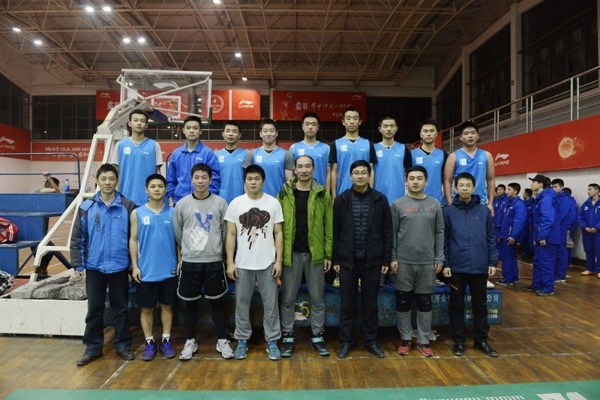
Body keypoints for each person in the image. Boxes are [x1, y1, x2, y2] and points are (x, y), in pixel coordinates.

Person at [70, 163, 137, 366]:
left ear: (117, 181)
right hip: (94, 267)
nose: (107, 182)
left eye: (111, 179)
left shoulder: (128, 206)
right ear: (97, 181)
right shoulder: (86, 207)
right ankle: (93, 347)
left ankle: (123, 345)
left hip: (119, 267)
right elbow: (77, 237)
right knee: (95, 309)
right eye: (104, 179)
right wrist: (78, 265)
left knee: (120, 309)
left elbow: (135, 239)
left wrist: (134, 264)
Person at [332, 160, 392, 359]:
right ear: (350, 176)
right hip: (347, 262)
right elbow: (335, 231)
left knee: (370, 305)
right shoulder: (341, 200)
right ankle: (345, 342)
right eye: (356, 173)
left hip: (372, 262)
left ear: (369, 175)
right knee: (347, 305)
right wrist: (336, 260)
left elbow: (387, 232)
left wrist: (385, 260)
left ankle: (371, 341)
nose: (360, 176)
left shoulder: (380, 200)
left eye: (363, 173)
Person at [225, 164, 284, 360]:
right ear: (245, 181)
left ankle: (273, 340)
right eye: (249, 179)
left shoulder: (273, 203)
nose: (253, 182)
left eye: (256, 179)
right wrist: (230, 262)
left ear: (263, 181)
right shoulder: (236, 203)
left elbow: (278, 233)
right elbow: (231, 234)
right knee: (241, 304)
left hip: (268, 263)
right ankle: (242, 340)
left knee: (271, 304)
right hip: (242, 264)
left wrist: (279, 261)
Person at [174, 164, 233, 361]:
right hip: (191, 262)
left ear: (210, 180)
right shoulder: (182, 204)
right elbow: (178, 233)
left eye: (204, 177)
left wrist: (223, 256)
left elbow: (225, 232)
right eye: (197, 177)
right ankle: (190, 340)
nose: (200, 181)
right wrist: (184, 256)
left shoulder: (220, 203)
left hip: (214, 262)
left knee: (217, 303)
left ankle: (222, 340)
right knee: (190, 304)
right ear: (191, 179)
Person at [277, 155, 333, 357]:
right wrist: (279, 255)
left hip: (315, 254)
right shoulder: (284, 193)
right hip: (291, 255)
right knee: (287, 298)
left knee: (317, 298)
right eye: (299, 166)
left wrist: (327, 253)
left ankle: (318, 335)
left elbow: (328, 226)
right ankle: (288, 335)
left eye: (307, 166)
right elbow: (278, 227)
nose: (303, 170)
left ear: (314, 169)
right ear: (294, 170)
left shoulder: (321, 194)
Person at [442, 172, 498, 357]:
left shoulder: (483, 211)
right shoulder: (448, 212)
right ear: (455, 188)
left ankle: (481, 340)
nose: (464, 188)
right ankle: (459, 340)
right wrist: (446, 263)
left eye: (468, 185)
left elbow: (491, 237)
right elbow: (444, 239)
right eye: (461, 185)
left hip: (479, 267)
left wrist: (492, 260)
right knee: (456, 305)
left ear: (474, 188)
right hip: (457, 267)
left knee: (480, 305)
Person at [390, 166, 444, 357]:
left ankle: (423, 339)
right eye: (411, 178)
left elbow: (439, 232)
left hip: (427, 263)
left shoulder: (435, 204)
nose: (415, 181)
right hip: (404, 262)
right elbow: (393, 234)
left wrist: (439, 257)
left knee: (424, 301)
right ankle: (405, 338)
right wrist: (393, 258)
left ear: (426, 181)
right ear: (406, 181)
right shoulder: (398, 204)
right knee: (403, 301)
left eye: (419, 178)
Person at [129, 174, 178, 361]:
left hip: (168, 270)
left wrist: (179, 261)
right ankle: (149, 342)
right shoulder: (137, 213)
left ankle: (166, 340)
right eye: (153, 186)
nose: (157, 189)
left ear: (165, 190)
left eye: (160, 186)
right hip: (146, 270)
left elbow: (178, 242)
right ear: (146, 190)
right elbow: (133, 241)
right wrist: (134, 266)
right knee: (146, 309)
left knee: (167, 306)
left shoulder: (173, 212)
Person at [111, 109, 163, 206]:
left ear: (147, 125)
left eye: (142, 121)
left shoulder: (154, 145)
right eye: (136, 120)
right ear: (130, 123)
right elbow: (115, 172)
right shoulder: (120, 145)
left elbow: (158, 173)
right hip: (124, 199)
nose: (139, 123)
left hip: (148, 200)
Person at [444, 120, 495, 214]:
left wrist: (491, 203)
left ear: (478, 135)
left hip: (481, 202)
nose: (470, 136)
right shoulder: (453, 156)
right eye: (466, 133)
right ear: (460, 137)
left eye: (473, 133)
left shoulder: (487, 155)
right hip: (459, 203)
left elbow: (491, 180)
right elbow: (447, 181)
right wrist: (450, 203)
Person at [166, 115, 220, 205]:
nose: (191, 131)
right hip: (179, 201)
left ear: (200, 131)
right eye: (188, 128)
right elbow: (171, 179)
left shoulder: (208, 153)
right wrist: (171, 200)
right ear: (183, 130)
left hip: (203, 202)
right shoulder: (176, 153)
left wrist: (210, 199)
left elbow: (214, 179)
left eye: (195, 128)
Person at [329, 107, 377, 200]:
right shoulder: (336, 144)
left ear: (360, 122)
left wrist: (371, 192)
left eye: (355, 118)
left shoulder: (368, 144)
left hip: (365, 194)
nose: (352, 122)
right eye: (348, 118)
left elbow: (371, 170)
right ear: (343, 122)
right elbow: (334, 171)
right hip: (342, 193)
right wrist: (334, 196)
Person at [523, 174, 560, 296]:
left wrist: (543, 236)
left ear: (541, 184)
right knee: (538, 261)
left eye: (534, 182)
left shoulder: (546, 199)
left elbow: (547, 219)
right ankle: (537, 284)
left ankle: (548, 288)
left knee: (546, 263)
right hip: (539, 235)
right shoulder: (540, 198)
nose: (531, 184)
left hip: (547, 237)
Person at [243, 118, 294, 197]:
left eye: (271, 131)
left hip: (279, 199)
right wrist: (248, 199)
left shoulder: (286, 154)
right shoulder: (252, 154)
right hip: (257, 199)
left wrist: (286, 199)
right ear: (260, 134)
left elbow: (289, 180)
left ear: (276, 133)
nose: (268, 134)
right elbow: (247, 180)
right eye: (265, 131)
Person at [373, 116, 412, 205]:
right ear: (380, 129)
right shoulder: (373, 149)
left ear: (396, 128)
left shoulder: (403, 149)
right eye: (385, 126)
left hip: (399, 198)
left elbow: (409, 173)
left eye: (392, 126)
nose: (389, 129)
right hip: (378, 197)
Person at [289, 112, 331, 191]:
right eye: (307, 124)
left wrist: (327, 193)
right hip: (299, 192)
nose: (310, 127)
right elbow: (291, 174)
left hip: (320, 192)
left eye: (313, 124)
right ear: (302, 126)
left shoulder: (326, 148)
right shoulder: (294, 148)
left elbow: (329, 173)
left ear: (318, 127)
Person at [411, 119, 448, 205]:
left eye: (432, 131)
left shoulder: (443, 155)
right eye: (425, 131)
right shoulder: (411, 154)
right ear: (420, 134)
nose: (428, 134)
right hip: (415, 202)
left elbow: (447, 180)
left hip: (437, 202)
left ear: (437, 134)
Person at [496, 183, 527, 286]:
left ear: (515, 191)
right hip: (505, 235)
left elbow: (519, 222)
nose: (507, 191)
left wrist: (514, 235)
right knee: (511, 257)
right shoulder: (509, 204)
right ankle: (513, 277)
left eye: (509, 189)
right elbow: (505, 221)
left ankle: (507, 278)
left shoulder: (519, 205)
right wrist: (501, 235)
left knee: (507, 257)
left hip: (510, 236)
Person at [551, 179, 577, 283]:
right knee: (556, 253)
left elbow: (562, 215)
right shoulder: (555, 198)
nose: (554, 189)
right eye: (552, 187)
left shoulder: (566, 199)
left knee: (561, 253)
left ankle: (561, 275)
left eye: (556, 187)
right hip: (556, 229)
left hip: (561, 229)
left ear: (562, 187)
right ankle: (555, 274)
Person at [215, 121, 248, 204]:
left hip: (241, 200)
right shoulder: (216, 155)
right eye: (228, 131)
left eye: (234, 131)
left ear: (239, 135)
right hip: (221, 199)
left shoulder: (246, 155)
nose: (230, 134)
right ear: (223, 134)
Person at [578, 183, 600, 277]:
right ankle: (589, 268)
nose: (588, 191)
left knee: (599, 252)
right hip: (586, 232)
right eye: (588, 189)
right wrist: (585, 226)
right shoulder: (586, 204)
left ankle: (599, 270)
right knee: (589, 251)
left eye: (590, 189)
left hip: (598, 233)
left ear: (597, 191)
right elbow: (579, 216)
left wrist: (596, 227)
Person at [521, 188, 535, 258]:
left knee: (530, 242)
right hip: (523, 225)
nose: (522, 194)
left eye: (524, 192)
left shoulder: (533, 203)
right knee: (523, 239)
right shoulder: (522, 203)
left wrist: (531, 225)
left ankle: (531, 254)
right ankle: (525, 252)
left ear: (527, 194)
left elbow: (533, 215)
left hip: (530, 226)